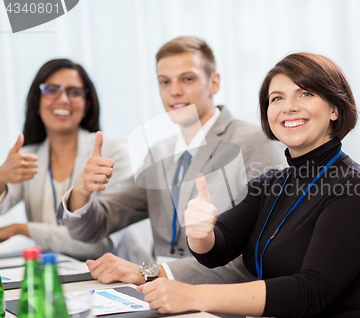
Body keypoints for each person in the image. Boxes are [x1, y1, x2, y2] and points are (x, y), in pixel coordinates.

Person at [137, 52, 360, 318]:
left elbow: (312, 290)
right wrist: (201, 234)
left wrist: (194, 296)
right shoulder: (272, 183)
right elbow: (220, 247)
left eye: (304, 94)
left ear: (334, 109)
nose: (288, 107)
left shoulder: (355, 187)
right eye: (276, 98)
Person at [58, 36, 286, 285]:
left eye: (187, 78)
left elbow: (261, 253)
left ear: (214, 83)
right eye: (164, 81)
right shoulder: (159, 153)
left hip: (224, 307)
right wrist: (81, 191)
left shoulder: (258, 141)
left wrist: (152, 273)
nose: (174, 91)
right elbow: (90, 228)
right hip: (160, 299)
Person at [0, 59, 145, 261]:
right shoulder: (27, 157)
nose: (63, 100)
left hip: (119, 281)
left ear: (86, 105)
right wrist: (1, 178)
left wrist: (21, 229)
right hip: (57, 276)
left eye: (74, 92)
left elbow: (100, 244)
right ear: (37, 102)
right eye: (51, 90)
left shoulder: (112, 151)